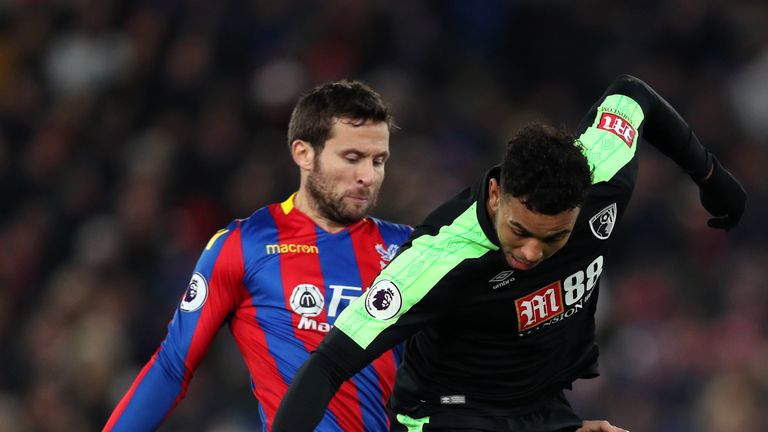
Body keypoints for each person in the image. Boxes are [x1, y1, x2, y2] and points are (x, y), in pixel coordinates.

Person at [271, 74, 747, 432]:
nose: (532, 252)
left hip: (542, 408)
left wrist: (711, 177)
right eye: (519, 231)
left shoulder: (601, 171)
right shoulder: (438, 258)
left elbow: (632, 95)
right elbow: (329, 364)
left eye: (555, 238)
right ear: (496, 196)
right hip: (448, 415)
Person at [103, 80, 413, 431]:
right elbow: (172, 367)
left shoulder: (410, 250)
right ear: (303, 154)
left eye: (378, 160)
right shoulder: (244, 246)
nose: (367, 177)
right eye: (352, 158)